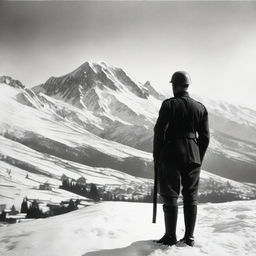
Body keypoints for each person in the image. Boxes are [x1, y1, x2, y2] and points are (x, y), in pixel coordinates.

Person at [153, 71, 210, 247]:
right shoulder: (200, 108)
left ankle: (170, 236)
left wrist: (158, 155)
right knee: (191, 195)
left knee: (170, 194)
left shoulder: (169, 105)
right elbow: (206, 137)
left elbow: (159, 131)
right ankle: (189, 237)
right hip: (194, 155)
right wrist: (197, 156)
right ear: (187, 86)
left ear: (175, 85)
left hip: (170, 153)